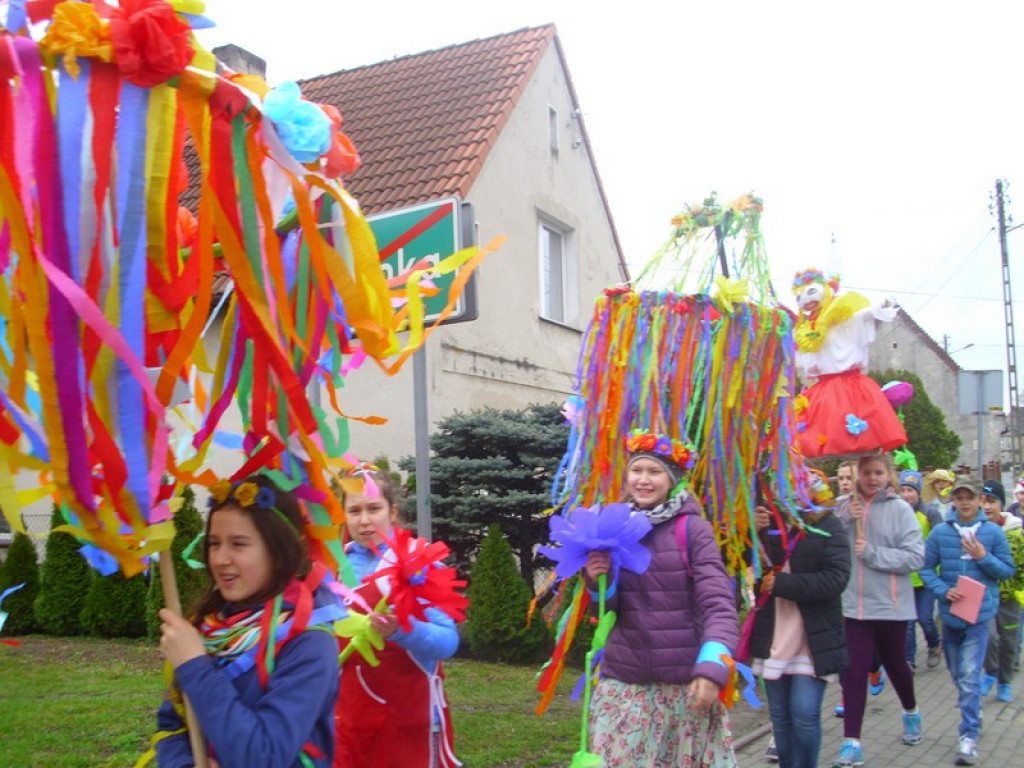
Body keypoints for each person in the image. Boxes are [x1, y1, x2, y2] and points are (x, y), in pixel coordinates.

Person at [154, 475, 344, 767]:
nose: (220, 559)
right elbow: (172, 726)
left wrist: (195, 666)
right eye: (214, 543)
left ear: (279, 553)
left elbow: (265, 755)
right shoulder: (205, 627)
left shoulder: (308, 642)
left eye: (239, 544)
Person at [584, 430, 738, 767]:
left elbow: (719, 605)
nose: (643, 480)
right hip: (626, 686)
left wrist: (712, 669)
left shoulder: (692, 530)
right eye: (636, 470)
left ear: (672, 479)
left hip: (683, 690)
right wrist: (598, 583)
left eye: (654, 472)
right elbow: (606, 613)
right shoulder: (614, 528)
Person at [333, 463, 461, 768]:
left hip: (408, 723)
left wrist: (401, 630)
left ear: (392, 512)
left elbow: (447, 642)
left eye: (374, 508)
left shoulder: (418, 564)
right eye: (355, 511)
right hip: (347, 725)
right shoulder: (334, 566)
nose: (364, 520)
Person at [750, 471, 851, 768]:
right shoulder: (771, 521)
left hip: (812, 638)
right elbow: (748, 568)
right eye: (787, 487)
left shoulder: (830, 525)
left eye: (800, 486)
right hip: (774, 633)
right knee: (780, 717)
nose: (793, 493)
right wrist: (752, 533)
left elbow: (836, 578)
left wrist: (783, 584)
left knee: (804, 714)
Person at [832, 453, 924, 768]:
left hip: (890, 606)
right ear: (857, 474)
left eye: (878, 472)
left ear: (889, 475)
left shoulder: (901, 510)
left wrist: (873, 553)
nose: (872, 478)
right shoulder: (843, 506)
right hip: (852, 607)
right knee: (854, 672)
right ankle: (852, 743)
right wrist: (845, 518)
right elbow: (825, 541)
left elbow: (915, 557)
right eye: (867, 472)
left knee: (896, 664)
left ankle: (911, 711)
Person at [919, 476, 1016, 765]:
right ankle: (974, 708)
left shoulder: (992, 533)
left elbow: (1007, 571)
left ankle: (968, 736)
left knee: (970, 676)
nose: (964, 503)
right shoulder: (940, 532)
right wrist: (942, 590)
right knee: (958, 676)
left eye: (969, 497)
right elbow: (925, 568)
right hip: (950, 617)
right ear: (953, 500)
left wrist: (983, 556)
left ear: (979, 501)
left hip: (979, 619)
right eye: (959, 497)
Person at [791, 269, 905, 459]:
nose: (806, 299)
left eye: (811, 292)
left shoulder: (844, 315)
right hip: (822, 389)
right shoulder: (804, 329)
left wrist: (881, 306)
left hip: (850, 385)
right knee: (823, 435)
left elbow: (865, 314)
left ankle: (861, 453)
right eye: (800, 296)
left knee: (855, 430)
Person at [977, 480, 1024, 703]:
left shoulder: (1015, 532)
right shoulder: (975, 530)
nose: (987, 506)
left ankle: (1005, 681)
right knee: (989, 639)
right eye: (983, 501)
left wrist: (1019, 590)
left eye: (992, 501)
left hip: (1009, 597)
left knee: (1009, 643)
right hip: (984, 598)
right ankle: (990, 671)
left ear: (1001, 504)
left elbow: (1021, 565)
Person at [899, 470, 943, 671]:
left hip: (926, 578)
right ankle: (908, 660)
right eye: (902, 490)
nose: (906, 495)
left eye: (910, 490)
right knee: (907, 623)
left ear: (918, 492)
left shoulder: (930, 514)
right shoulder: (896, 515)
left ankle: (934, 645)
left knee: (925, 618)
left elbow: (940, 543)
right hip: (905, 578)